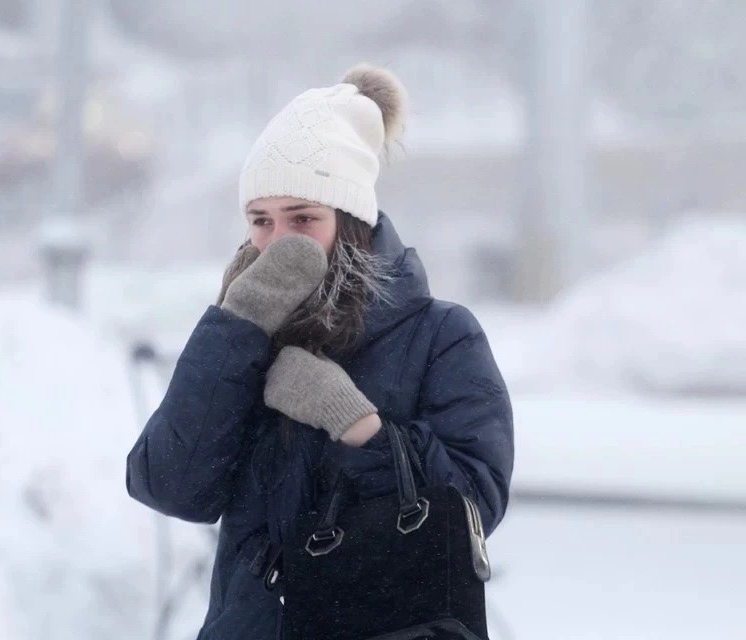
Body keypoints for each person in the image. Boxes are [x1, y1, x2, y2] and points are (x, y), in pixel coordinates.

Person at [126, 63, 514, 639]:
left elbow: (473, 508)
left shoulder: (442, 334)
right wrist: (235, 329)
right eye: (261, 220)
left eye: (303, 218)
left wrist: (359, 427)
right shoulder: (243, 337)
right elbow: (170, 486)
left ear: (351, 223)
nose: (278, 242)